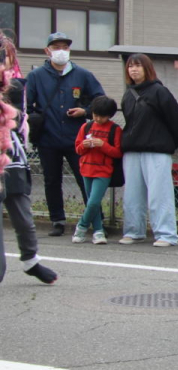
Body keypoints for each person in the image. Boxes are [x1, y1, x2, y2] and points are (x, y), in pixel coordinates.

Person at [24, 32, 105, 236]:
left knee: (84, 177)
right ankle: (57, 220)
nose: (61, 51)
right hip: (47, 137)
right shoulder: (36, 76)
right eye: (56, 47)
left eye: (65, 47)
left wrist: (84, 111)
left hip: (76, 137)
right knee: (51, 179)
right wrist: (35, 119)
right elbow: (27, 105)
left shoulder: (83, 74)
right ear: (47, 51)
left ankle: (95, 220)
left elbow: (100, 101)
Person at [0, 40, 56, 284]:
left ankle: (30, 261)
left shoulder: (18, 85)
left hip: (12, 156)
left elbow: (23, 118)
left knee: (23, 218)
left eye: (6, 56)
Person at [118, 54, 178, 247]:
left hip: (157, 151)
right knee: (132, 194)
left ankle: (166, 234)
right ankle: (133, 231)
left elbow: (176, 121)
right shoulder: (128, 94)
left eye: (138, 66)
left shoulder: (159, 92)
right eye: (130, 66)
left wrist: (168, 144)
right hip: (132, 151)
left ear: (148, 69)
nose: (133, 69)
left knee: (159, 194)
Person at [71, 96, 121, 245]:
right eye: (95, 115)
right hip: (86, 168)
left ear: (110, 115)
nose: (98, 119)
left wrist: (102, 144)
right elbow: (78, 149)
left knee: (93, 202)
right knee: (93, 202)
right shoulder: (85, 127)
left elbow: (118, 152)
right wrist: (85, 145)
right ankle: (98, 231)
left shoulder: (115, 129)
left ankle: (81, 226)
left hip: (103, 171)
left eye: (102, 116)